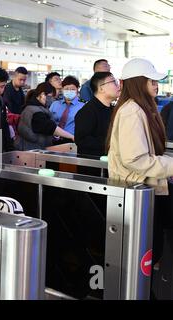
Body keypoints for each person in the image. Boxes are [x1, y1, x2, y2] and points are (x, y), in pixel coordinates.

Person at [106, 58, 173, 288]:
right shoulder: (132, 112)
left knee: (148, 252)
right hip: (136, 193)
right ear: (138, 83)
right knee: (143, 254)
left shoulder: (139, 109)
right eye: (151, 81)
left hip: (143, 191)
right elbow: (135, 159)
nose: (156, 86)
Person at [75, 72, 120, 157]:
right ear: (101, 88)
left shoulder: (113, 109)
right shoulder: (87, 112)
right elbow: (82, 140)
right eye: (114, 82)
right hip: (94, 165)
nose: (118, 86)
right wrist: (112, 143)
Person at [18, 82, 74, 151]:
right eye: (50, 97)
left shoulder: (37, 107)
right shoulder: (35, 111)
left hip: (35, 148)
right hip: (30, 150)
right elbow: (49, 127)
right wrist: (71, 136)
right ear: (42, 94)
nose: (52, 100)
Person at [49, 75, 85, 144]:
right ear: (62, 89)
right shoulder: (55, 104)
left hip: (72, 141)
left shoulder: (83, 106)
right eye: (66, 89)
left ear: (77, 90)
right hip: (53, 141)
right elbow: (49, 121)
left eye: (72, 89)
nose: (69, 91)